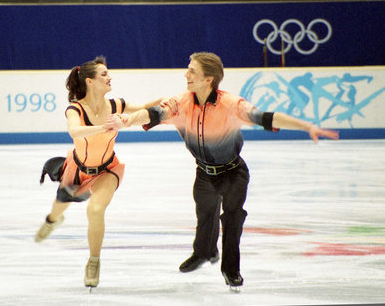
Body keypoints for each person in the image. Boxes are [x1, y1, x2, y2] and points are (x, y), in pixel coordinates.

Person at [106, 52, 339, 289]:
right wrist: (126, 121)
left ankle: (231, 269)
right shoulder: (181, 102)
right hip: (204, 172)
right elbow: (153, 113)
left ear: (209, 79)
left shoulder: (231, 104)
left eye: (192, 71)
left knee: (232, 218)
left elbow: (266, 117)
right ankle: (205, 252)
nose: (186, 74)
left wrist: (306, 126)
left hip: (233, 172)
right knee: (205, 214)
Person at [35, 55, 162, 289]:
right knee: (59, 206)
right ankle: (52, 221)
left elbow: (146, 107)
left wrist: (170, 101)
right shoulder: (75, 109)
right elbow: (75, 131)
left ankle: (93, 261)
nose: (109, 77)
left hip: (108, 170)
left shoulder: (116, 105)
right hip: (77, 169)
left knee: (95, 210)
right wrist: (105, 126)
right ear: (90, 81)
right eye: (104, 74)